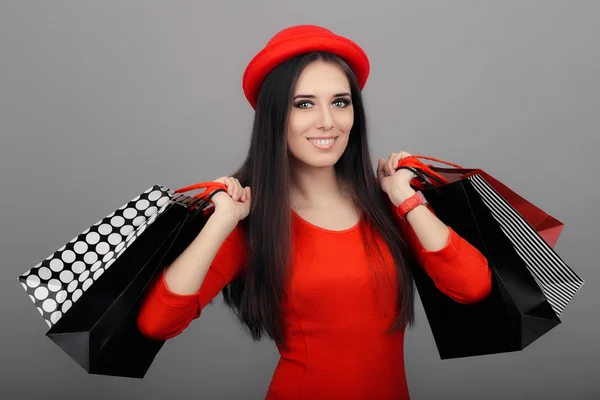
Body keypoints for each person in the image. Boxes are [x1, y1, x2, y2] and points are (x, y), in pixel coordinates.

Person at [136, 24, 492, 399]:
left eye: (340, 102)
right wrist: (221, 221)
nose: (328, 121)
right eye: (303, 103)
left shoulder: (389, 206)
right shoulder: (254, 221)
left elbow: (472, 287)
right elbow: (157, 323)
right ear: (275, 117)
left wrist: (405, 199)